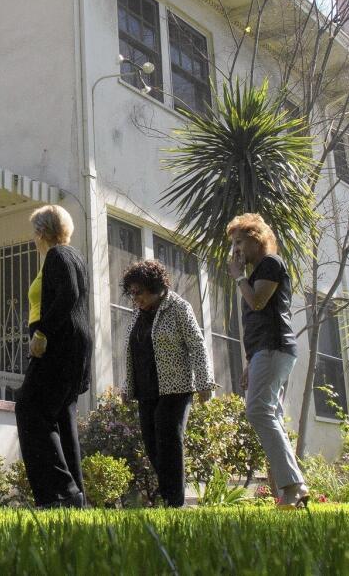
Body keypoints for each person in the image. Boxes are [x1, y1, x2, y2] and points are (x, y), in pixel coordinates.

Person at [226, 212, 310, 509]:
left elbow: (258, 302)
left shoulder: (270, 264)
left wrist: (238, 277)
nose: (235, 250)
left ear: (257, 240)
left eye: (240, 242)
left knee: (259, 411)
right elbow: (258, 318)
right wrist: (251, 362)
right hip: (266, 350)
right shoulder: (254, 273)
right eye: (233, 243)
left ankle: (293, 486)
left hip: (275, 347)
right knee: (268, 413)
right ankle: (291, 491)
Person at [14, 204, 92, 508]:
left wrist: (42, 332)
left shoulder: (58, 255)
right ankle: (76, 498)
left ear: (40, 232)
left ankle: (60, 492)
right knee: (61, 417)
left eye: (34, 231)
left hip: (58, 347)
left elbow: (68, 295)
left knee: (29, 408)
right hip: (72, 349)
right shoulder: (72, 257)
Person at [121, 258, 214, 507]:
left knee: (168, 439)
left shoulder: (179, 307)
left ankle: (174, 501)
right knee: (152, 444)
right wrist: (127, 386)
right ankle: (170, 496)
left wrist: (205, 382)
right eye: (131, 293)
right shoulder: (137, 314)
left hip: (176, 387)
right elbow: (133, 351)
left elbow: (197, 345)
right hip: (146, 389)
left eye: (138, 292)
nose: (135, 298)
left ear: (154, 286)